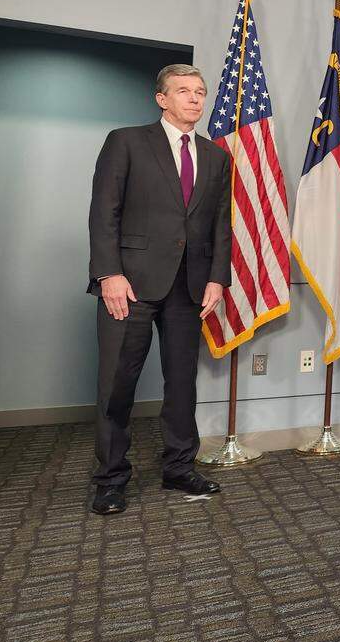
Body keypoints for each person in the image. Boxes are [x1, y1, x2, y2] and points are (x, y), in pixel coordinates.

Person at [87, 64, 232, 515]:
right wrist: (108, 274)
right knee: (117, 384)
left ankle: (178, 467)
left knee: (182, 383)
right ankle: (110, 479)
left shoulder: (216, 157)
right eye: (184, 91)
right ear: (161, 99)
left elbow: (221, 225)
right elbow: (103, 212)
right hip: (129, 284)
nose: (194, 99)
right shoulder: (126, 141)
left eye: (200, 92)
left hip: (189, 287)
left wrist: (217, 278)